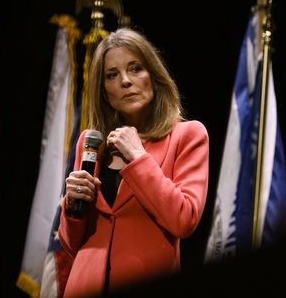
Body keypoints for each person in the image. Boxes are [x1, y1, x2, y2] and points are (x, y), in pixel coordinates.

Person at [59, 28, 209, 296]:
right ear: (104, 91)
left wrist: (138, 157)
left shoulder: (188, 136)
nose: (126, 81)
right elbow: (72, 244)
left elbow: (184, 219)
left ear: (154, 76)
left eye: (136, 68)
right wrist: (71, 207)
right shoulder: (91, 141)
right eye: (112, 75)